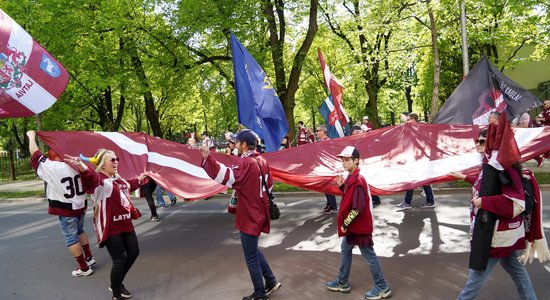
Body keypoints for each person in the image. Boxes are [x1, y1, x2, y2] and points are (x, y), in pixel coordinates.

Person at [450, 128, 539, 300]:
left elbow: (516, 202)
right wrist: (464, 177)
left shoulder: (504, 168)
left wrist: (484, 202)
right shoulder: (492, 164)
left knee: (475, 276)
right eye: (477, 141)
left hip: (495, 234)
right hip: (498, 232)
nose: (478, 144)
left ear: (493, 144)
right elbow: (486, 185)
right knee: (516, 269)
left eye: (483, 141)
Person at [200, 129, 281, 300]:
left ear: (244, 145)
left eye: (237, 142)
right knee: (254, 250)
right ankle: (271, 281)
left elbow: (225, 176)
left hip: (249, 214)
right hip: (259, 211)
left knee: (250, 256)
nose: (234, 145)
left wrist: (208, 158)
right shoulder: (261, 161)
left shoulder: (246, 163)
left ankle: (260, 294)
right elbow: (270, 186)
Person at [64, 149, 149, 300]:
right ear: (103, 164)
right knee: (119, 260)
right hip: (110, 227)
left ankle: (116, 284)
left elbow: (127, 186)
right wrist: (82, 167)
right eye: (112, 160)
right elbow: (90, 179)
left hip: (125, 223)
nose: (116, 162)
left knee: (134, 252)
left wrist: (139, 179)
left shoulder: (118, 178)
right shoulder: (100, 180)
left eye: (117, 159)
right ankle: (116, 294)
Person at [27, 130, 96, 277]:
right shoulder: (78, 165)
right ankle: (89, 258)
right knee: (80, 230)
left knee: (71, 237)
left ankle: (83, 267)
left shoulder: (53, 167)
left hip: (65, 208)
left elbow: (35, 154)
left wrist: (31, 136)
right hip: (80, 204)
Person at [326, 146, 391, 300]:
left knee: (369, 256)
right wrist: (342, 186)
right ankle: (342, 282)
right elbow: (351, 198)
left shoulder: (358, 180)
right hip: (355, 227)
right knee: (345, 249)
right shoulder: (351, 177)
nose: (343, 162)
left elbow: (357, 208)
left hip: (359, 228)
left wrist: (345, 224)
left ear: (356, 160)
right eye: (342, 159)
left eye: (347, 159)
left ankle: (382, 287)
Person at [396, 113, 436, 209]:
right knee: (421, 180)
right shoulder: (411, 128)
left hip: (419, 158)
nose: (407, 120)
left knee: (416, 180)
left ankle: (408, 202)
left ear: (413, 119)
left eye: (408, 119)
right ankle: (428, 201)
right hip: (415, 158)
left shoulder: (420, 127)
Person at [350, 125, 380, 207]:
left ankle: (375, 199)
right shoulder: (351, 141)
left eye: (358, 132)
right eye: (355, 132)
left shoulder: (364, 140)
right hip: (356, 165)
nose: (357, 134)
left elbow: (369, 151)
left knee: (366, 182)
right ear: (352, 133)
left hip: (365, 164)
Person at [316, 125, 338, 214]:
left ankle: (334, 206)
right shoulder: (321, 141)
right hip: (323, 167)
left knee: (328, 187)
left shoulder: (327, 141)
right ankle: (329, 203)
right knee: (325, 187)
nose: (316, 132)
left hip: (327, 167)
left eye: (318, 130)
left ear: (323, 131)